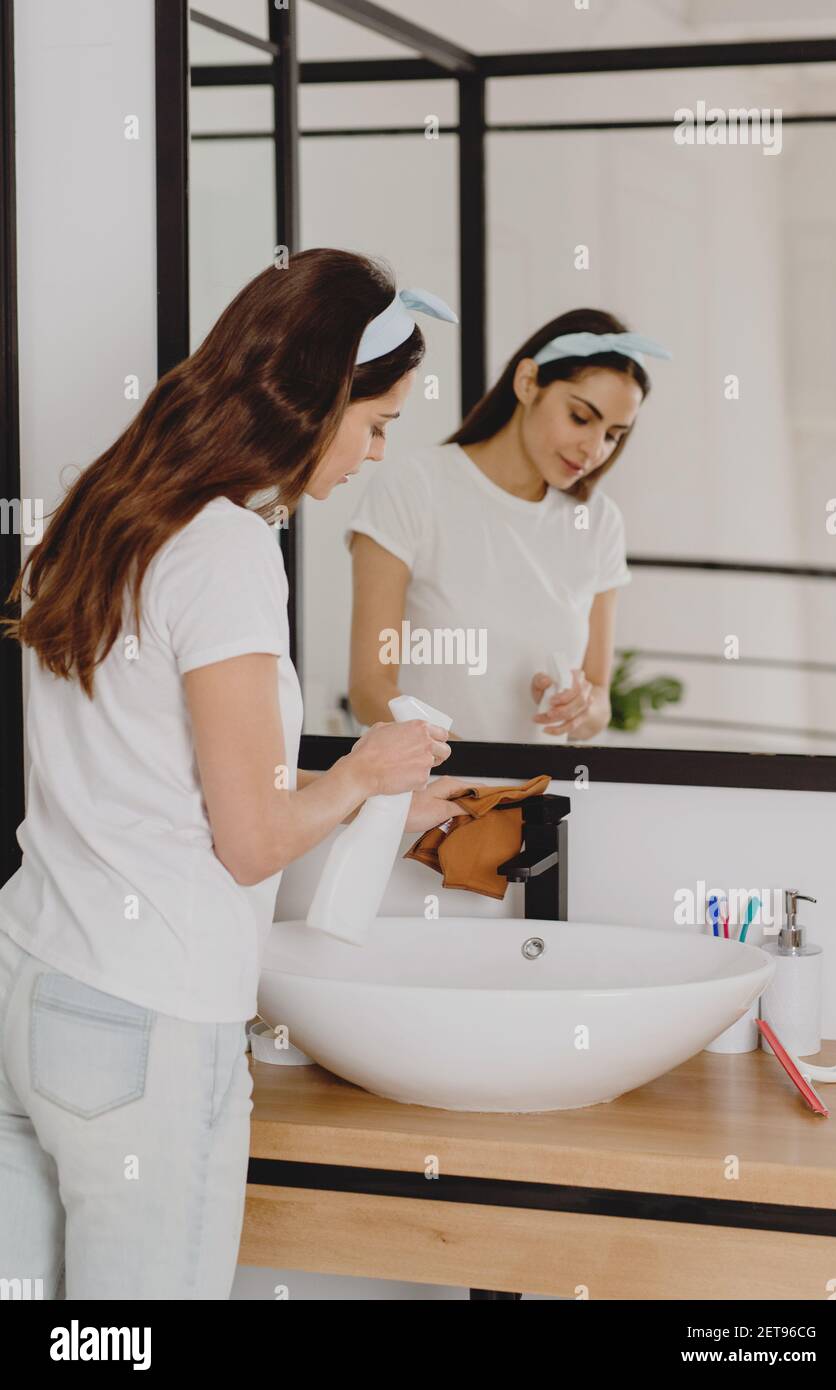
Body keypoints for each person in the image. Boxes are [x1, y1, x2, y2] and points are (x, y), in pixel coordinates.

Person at [0, 249, 467, 1299]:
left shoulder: (99, 507)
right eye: (379, 421)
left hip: (31, 981)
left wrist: (374, 800)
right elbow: (248, 837)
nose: (379, 452)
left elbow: (169, 767)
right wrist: (358, 772)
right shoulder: (227, 550)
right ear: (318, 399)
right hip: (147, 1021)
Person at [346, 309, 671, 743]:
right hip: (437, 795)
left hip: (542, 798)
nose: (594, 449)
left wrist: (578, 706)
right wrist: (465, 767)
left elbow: (599, 705)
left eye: (613, 435)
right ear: (527, 382)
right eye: (580, 417)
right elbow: (370, 689)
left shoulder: (599, 523)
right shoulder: (414, 488)